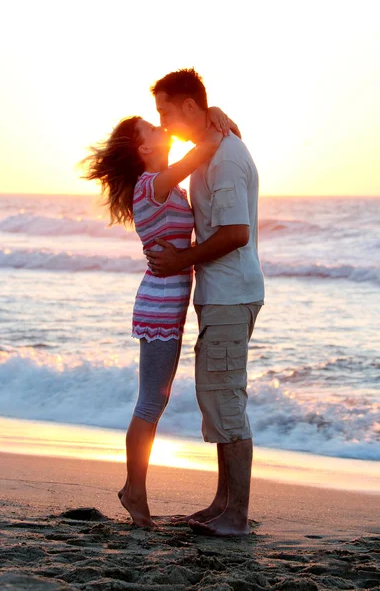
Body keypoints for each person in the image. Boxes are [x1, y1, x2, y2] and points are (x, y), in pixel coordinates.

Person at [82, 106, 238, 527]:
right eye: (152, 127)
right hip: (159, 305)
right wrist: (215, 122)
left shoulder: (160, 184)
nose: (161, 128)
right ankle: (134, 492)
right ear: (143, 147)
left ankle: (134, 489)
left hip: (167, 302)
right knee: (151, 401)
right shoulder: (151, 184)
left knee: (157, 399)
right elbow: (199, 154)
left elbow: (199, 152)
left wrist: (215, 117)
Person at [146, 68, 265, 536]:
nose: (162, 118)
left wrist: (182, 259)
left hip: (231, 295)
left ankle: (236, 515)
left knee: (226, 401)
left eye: (165, 110)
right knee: (216, 398)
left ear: (189, 107)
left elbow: (237, 233)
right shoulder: (210, 149)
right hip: (221, 294)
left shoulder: (225, 159)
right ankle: (222, 503)